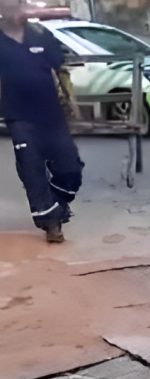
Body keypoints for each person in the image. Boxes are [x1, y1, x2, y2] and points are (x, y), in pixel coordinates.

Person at [0, 0, 84, 243]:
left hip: (52, 115)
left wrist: (73, 103)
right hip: (19, 117)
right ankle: (51, 224)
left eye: (17, 5)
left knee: (70, 168)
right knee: (31, 169)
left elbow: (61, 69)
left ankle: (58, 203)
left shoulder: (40, 35)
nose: (14, 10)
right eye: (7, 6)